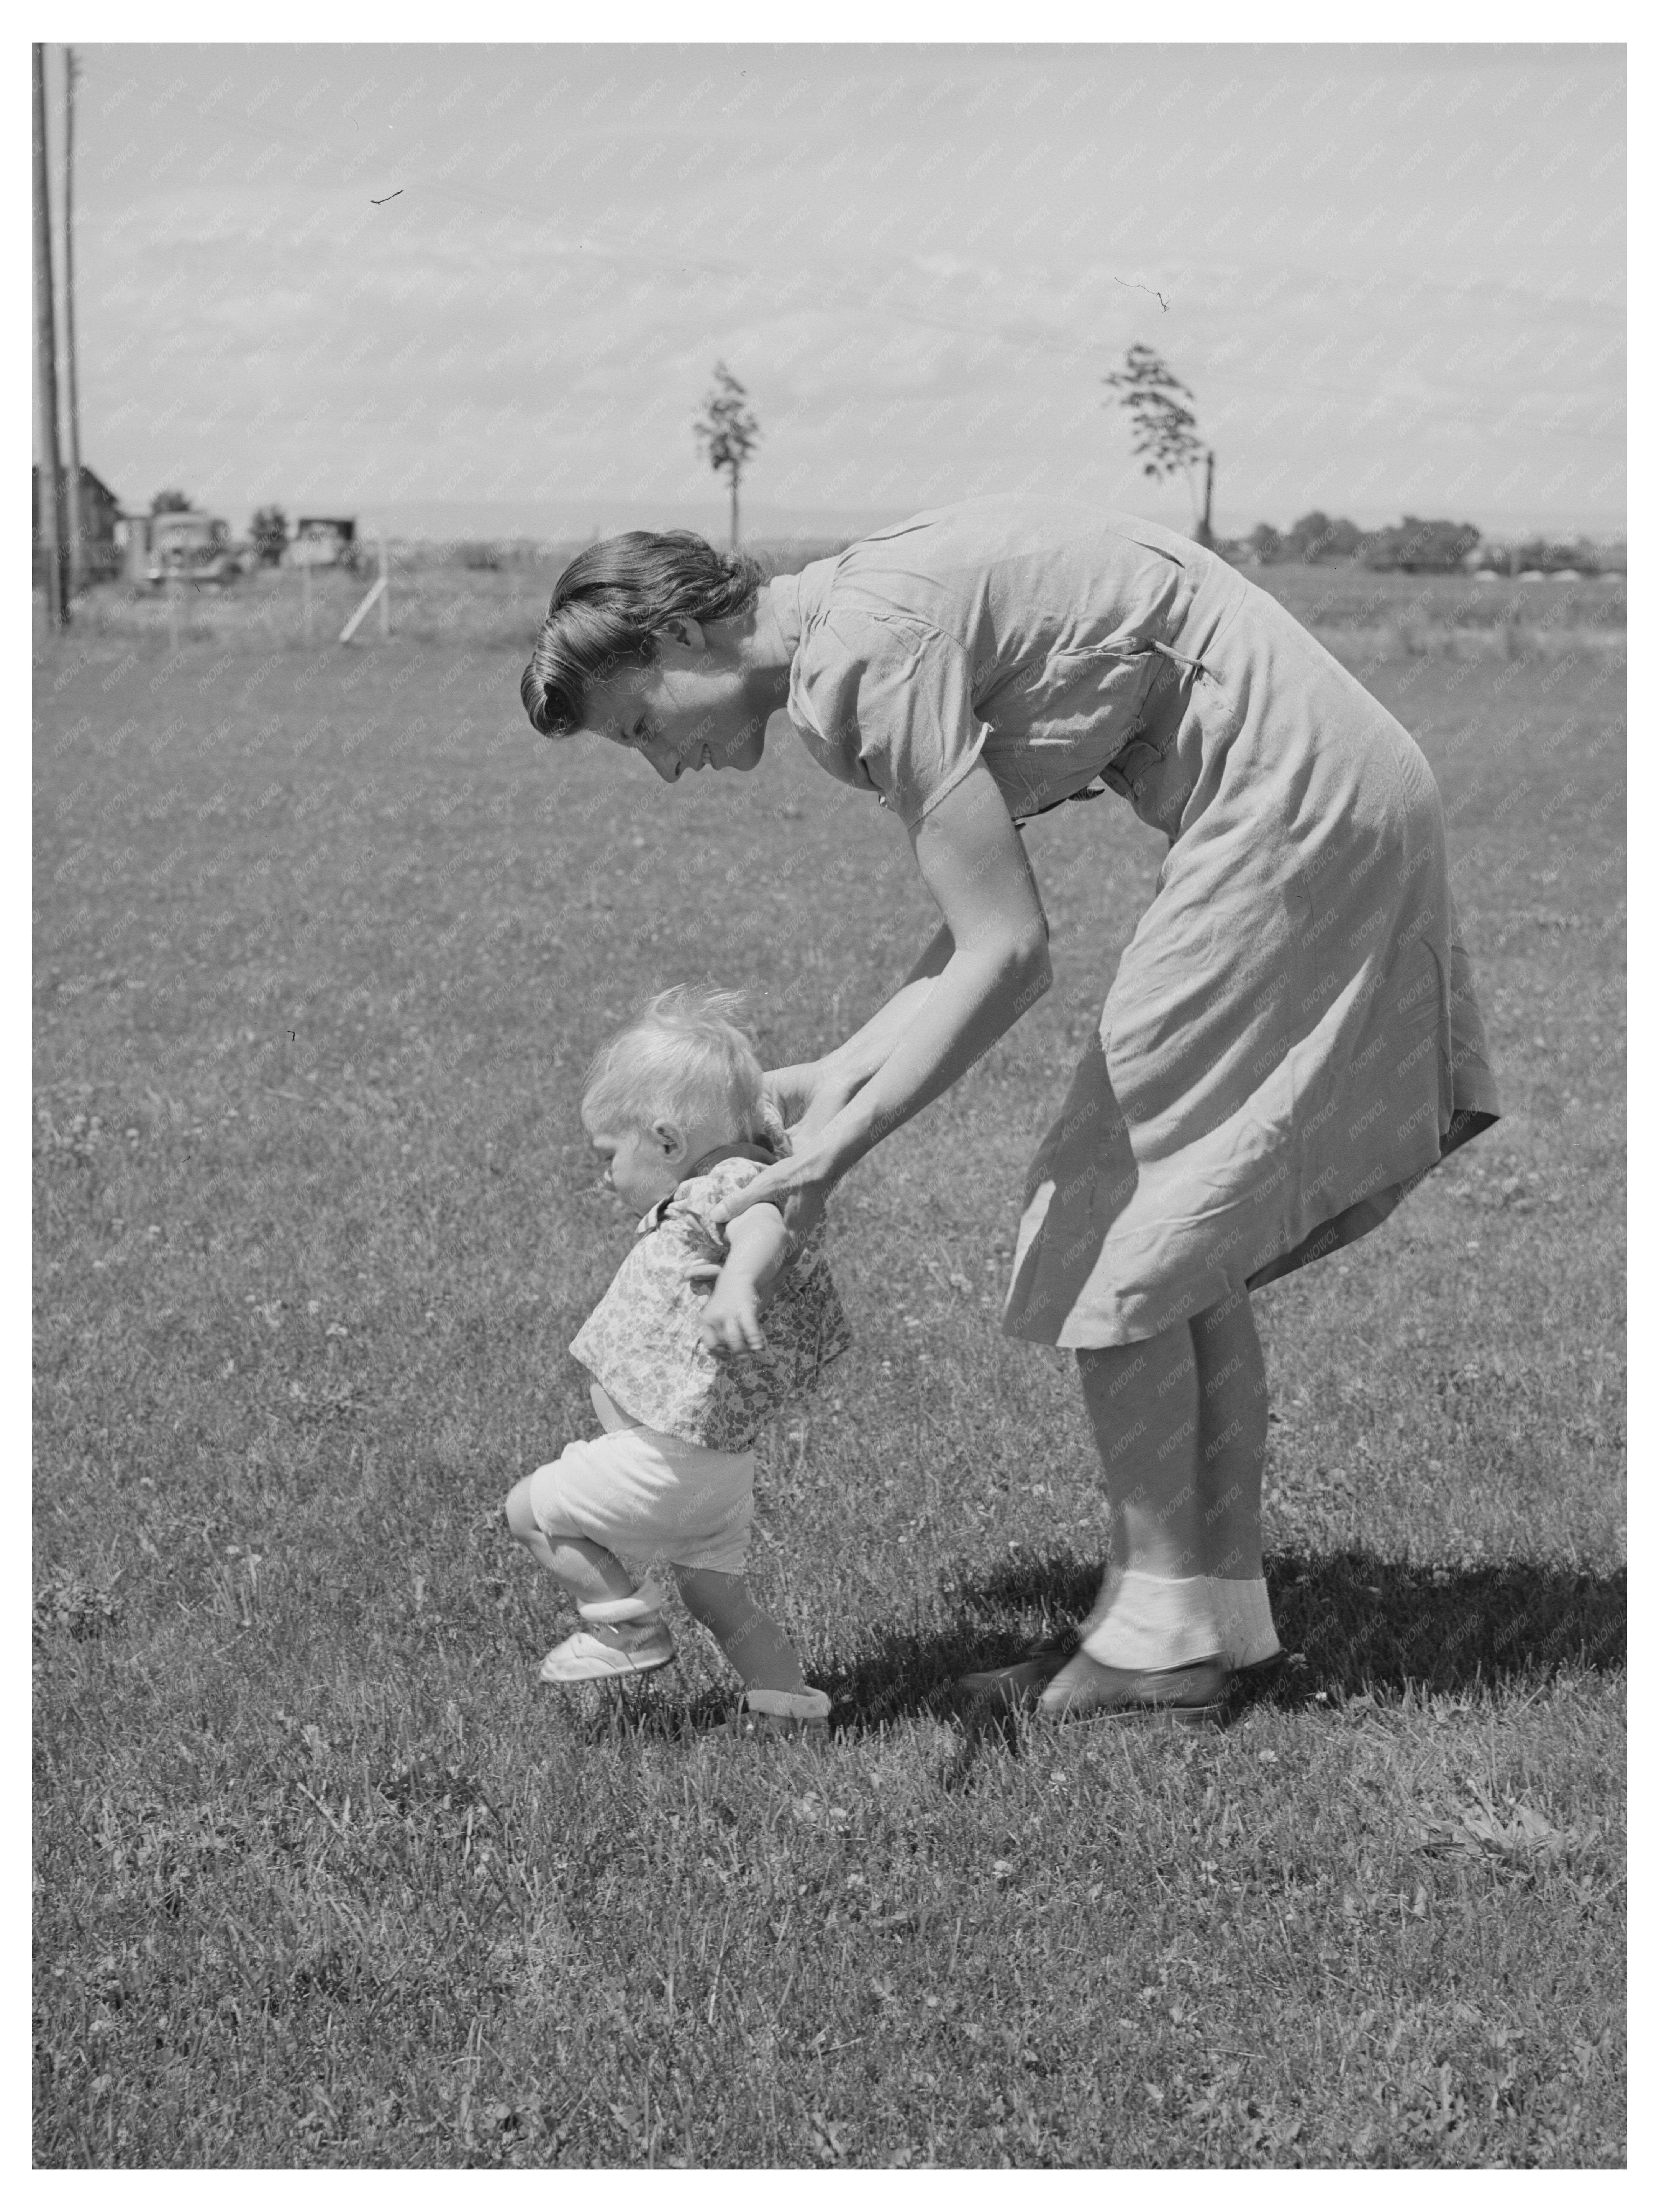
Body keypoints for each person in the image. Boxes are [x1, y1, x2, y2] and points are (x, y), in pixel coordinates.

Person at [518, 499, 1500, 1726]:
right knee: (1171, 1230)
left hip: (1290, 813)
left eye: (642, 727)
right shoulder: (854, 617)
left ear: (677, 640)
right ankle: (1216, 1614)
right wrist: (846, 1068)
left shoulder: (867, 658)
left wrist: (834, 1154)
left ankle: (1155, 1638)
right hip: (1326, 793)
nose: (667, 767)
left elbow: (1010, 951)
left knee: (1110, 1217)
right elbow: (973, 928)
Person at [504, 987, 851, 1732]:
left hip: (666, 1461)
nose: (604, 1176)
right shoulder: (728, 1169)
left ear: (664, 1142)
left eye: (608, 1157)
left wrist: (736, 1281)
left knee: (531, 1509)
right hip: (719, 1472)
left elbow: (761, 1222)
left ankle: (621, 1625)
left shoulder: (723, 1183)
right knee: (716, 1598)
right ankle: (788, 1705)